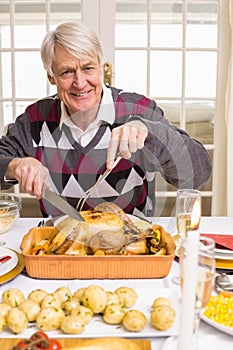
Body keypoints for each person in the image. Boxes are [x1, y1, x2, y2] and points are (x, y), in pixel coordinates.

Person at [0, 21, 212, 218]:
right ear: (51, 77)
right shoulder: (36, 118)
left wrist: (150, 134)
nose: (80, 82)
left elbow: (199, 172)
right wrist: (15, 165)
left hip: (131, 249)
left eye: (88, 68)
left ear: (100, 66)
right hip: (60, 248)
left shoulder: (138, 110)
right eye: (66, 72)